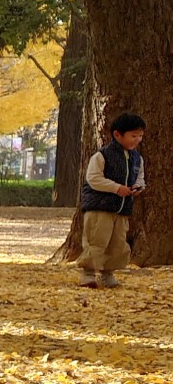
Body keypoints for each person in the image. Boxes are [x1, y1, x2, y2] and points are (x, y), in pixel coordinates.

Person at [77, 113, 146, 288]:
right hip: (100, 208)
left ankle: (108, 273)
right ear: (117, 135)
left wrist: (138, 187)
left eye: (140, 135)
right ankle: (88, 273)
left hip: (122, 209)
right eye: (133, 135)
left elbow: (140, 178)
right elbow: (93, 178)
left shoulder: (137, 158)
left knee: (117, 243)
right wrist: (116, 188)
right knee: (97, 240)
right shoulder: (102, 156)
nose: (137, 139)